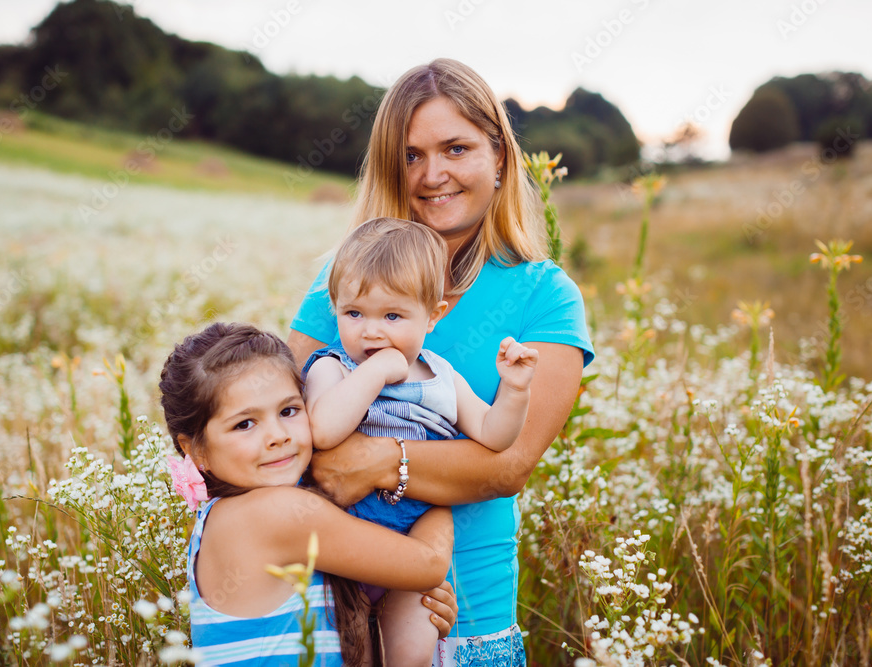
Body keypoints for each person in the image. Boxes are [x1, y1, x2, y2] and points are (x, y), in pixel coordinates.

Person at [288, 58, 595, 666]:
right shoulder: (345, 278)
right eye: (411, 156)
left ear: (500, 156)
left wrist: (372, 463)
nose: (433, 175)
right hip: (332, 599)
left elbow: (506, 465)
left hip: (467, 608)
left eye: (456, 148)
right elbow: (288, 430)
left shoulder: (545, 295)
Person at [302, 217, 539, 666]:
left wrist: (515, 390)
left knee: (410, 653)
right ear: (334, 307)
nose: (371, 331)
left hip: (414, 545)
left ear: (434, 314)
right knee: (348, 654)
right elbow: (324, 431)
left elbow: (494, 436)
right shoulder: (332, 368)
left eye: (392, 316)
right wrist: (377, 371)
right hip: (342, 544)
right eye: (354, 313)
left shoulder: (443, 379)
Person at [159, 322, 459, 666]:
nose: (277, 436)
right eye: (244, 424)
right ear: (195, 450)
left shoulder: (224, 514)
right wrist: (439, 485)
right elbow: (429, 563)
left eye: (288, 411)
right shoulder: (273, 514)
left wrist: (397, 612)